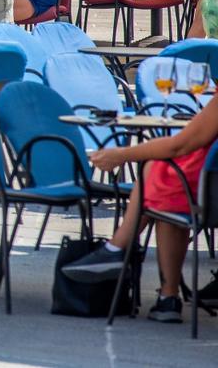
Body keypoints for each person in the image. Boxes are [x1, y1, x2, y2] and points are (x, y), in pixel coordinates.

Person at [61, 94, 218, 323]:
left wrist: (120, 155)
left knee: (162, 174)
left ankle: (117, 250)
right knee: (167, 179)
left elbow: (179, 145)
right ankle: (164, 296)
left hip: (208, 197)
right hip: (203, 192)